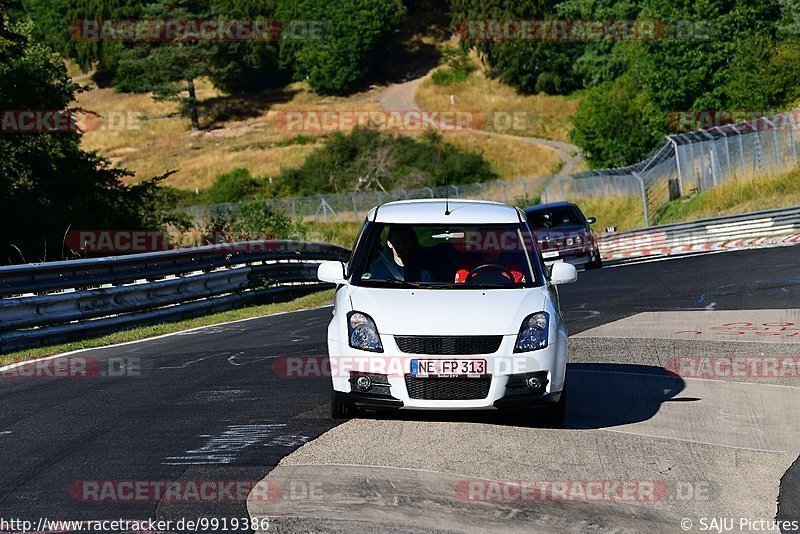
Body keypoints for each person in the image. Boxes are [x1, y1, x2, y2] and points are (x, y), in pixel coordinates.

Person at [367, 226, 431, 282]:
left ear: (410, 243)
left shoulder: (424, 272)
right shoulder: (379, 271)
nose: (402, 246)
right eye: (397, 242)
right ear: (389, 244)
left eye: (405, 242)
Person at [454, 249, 526, 284]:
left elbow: (520, 293)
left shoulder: (515, 272)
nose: (495, 247)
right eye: (490, 242)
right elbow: (461, 295)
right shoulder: (465, 271)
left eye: (499, 242)